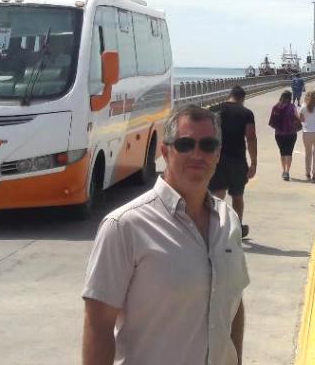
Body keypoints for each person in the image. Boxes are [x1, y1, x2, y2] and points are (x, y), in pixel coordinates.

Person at [82, 105, 249, 365]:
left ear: (217, 154)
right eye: (184, 144)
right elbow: (98, 325)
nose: (197, 154)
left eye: (207, 145)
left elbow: (235, 305)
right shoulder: (124, 226)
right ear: (165, 151)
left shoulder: (229, 222)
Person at [209, 86, 258, 238]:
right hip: (237, 160)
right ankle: (237, 228)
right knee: (237, 196)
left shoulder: (214, 110)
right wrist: (254, 163)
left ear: (229, 95)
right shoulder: (246, 113)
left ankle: (215, 228)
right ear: (242, 99)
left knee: (217, 195)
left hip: (216, 159)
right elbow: (251, 137)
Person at [268, 90, 301, 181]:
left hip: (279, 134)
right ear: (290, 98)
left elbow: (272, 120)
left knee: (282, 152)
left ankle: (283, 171)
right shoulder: (292, 107)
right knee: (289, 152)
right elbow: (297, 117)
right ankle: (287, 171)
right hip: (291, 133)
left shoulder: (275, 107)